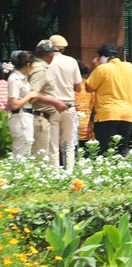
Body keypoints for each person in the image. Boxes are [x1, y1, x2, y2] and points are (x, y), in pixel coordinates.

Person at [86, 43, 132, 152]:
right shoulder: (130, 67)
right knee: (123, 149)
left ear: (103, 57)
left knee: (106, 151)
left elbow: (89, 87)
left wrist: (94, 68)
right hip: (127, 116)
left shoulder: (102, 69)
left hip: (107, 115)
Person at [44, 34, 82, 170]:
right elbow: (78, 87)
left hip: (51, 106)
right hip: (69, 106)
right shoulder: (71, 61)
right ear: (64, 48)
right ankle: (69, 171)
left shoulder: (45, 62)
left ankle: (54, 172)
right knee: (68, 143)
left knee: (52, 144)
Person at [7, 51, 36, 157]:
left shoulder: (23, 78)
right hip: (20, 116)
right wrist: (29, 96)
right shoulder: (15, 79)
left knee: (27, 148)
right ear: (28, 64)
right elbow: (14, 104)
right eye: (33, 64)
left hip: (26, 115)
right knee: (22, 151)